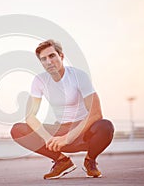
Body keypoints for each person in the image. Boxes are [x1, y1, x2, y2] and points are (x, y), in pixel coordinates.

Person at [10, 39, 114, 179]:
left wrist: (67, 138)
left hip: (83, 132)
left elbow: (96, 113)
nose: (48, 61)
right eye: (44, 59)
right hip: (60, 131)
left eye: (52, 56)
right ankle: (62, 161)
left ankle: (90, 161)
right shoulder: (39, 81)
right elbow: (30, 116)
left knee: (106, 126)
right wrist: (49, 139)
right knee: (18, 130)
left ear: (61, 56)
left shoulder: (79, 76)